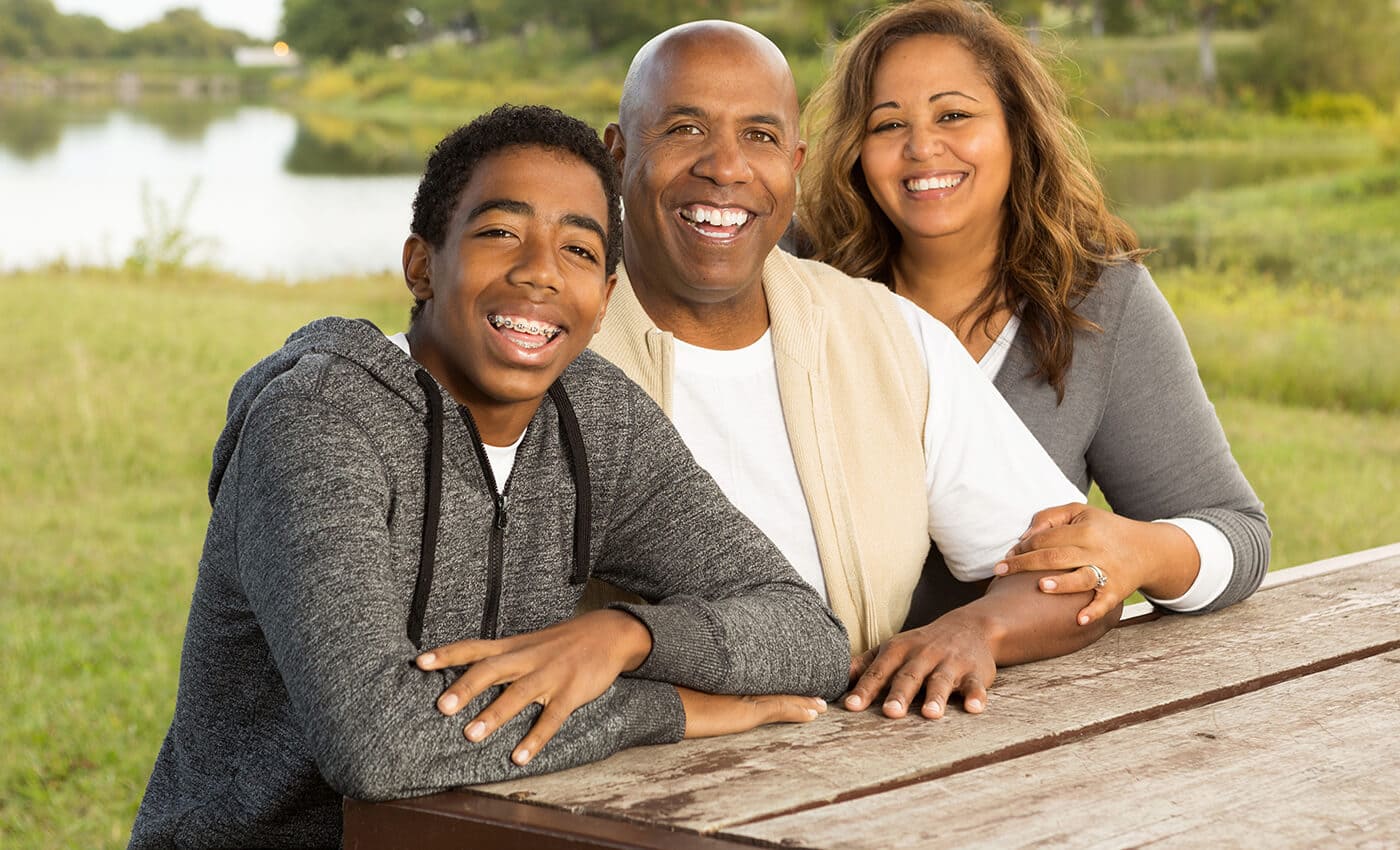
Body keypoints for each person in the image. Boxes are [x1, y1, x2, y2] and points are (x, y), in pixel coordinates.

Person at [128, 105, 850, 849]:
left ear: (603, 300)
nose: (539, 271)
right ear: (421, 266)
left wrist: (623, 636)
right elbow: (378, 746)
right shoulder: (317, 423)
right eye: (500, 233)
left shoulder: (596, 419)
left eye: (576, 249)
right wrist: (665, 707)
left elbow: (810, 635)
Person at [589, 19, 1115, 726]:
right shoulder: (545, 351)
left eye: (761, 136)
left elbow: (1071, 573)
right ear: (617, 154)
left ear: (796, 163)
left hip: (862, 769)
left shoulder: (890, 337)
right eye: (685, 129)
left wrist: (975, 628)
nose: (726, 166)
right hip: (616, 781)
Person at [798, 0, 1269, 628]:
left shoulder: (1101, 304)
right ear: (856, 149)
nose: (922, 147)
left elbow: (1237, 534)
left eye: (955, 115)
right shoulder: (797, 274)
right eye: (887, 126)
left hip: (999, 704)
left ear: (1017, 128)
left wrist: (1137, 551)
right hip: (783, 700)